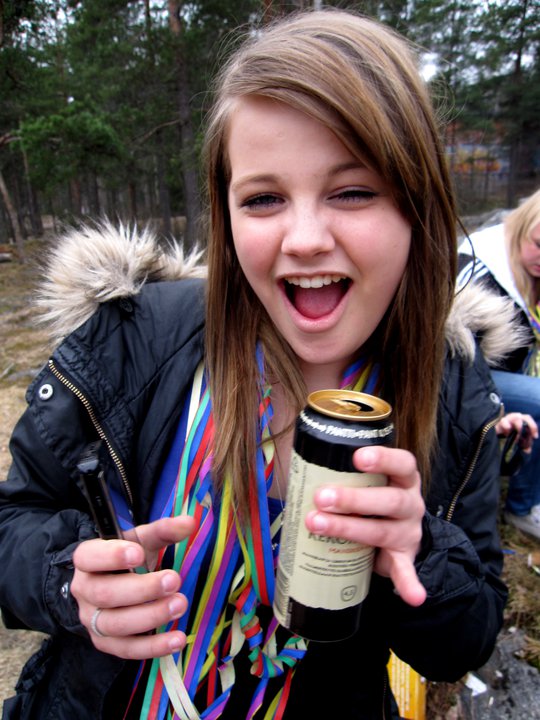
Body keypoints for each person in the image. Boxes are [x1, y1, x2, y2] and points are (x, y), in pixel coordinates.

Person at [0, 9, 524, 720]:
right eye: (264, 198)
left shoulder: (455, 392)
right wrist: (70, 582)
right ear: (226, 215)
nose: (303, 239)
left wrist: (420, 549)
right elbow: (15, 519)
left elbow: (468, 636)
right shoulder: (134, 340)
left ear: (416, 209)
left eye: (352, 191)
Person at [458, 189, 540, 540]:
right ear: (521, 228)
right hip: (468, 374)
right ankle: (522, 507)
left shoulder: (528, 266)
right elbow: (451, 351)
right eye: (538, 244)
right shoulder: (480, 264)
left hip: (505, 372)